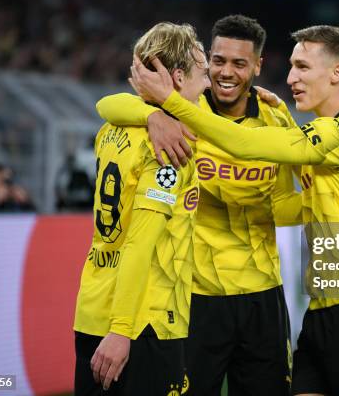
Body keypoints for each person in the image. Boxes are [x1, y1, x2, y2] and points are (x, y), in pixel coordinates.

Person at [129, 25, 339, 396]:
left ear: (337, 73)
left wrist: (171, 102)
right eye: (292, 66)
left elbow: (246, 144)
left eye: (303, 68)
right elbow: (297, 196)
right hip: (323, 308)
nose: (291, 78)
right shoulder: (324, 130)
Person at [96, 15, 301, 396]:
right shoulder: (182, 108)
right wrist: (152, 115)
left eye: (239, 63)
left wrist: (319, 208)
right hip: (195, 299)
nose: (226, 72)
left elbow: (285, 202)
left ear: (258, 66)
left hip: (262, 296)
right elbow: (108, 104)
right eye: (218, 60)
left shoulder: (276, 117)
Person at [73, 22, 209, 396]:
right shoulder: (169, 149)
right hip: (143, 323)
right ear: (178, 77)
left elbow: (108, 104)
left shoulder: (112, 128)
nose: (209, 83)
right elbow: (140, 242)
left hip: (93, 306)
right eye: (203, 73)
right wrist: (121, 330)